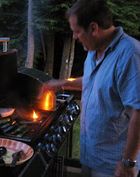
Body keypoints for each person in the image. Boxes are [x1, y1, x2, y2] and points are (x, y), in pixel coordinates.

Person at [41, 0, 140, 176]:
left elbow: (138, 113)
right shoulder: (94, 49)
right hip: (91, 157)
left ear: (93, 28)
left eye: (77, 31)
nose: (74, 37)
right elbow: (93, 81)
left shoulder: (130, 55)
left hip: (113, 166)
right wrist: (62, 83)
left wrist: (127, 162)